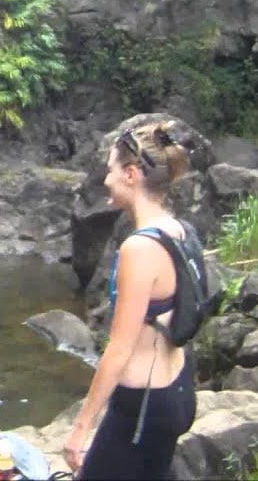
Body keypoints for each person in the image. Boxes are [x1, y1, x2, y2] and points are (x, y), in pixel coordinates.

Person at [62, 123, 197, 479]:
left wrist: (80, 428)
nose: (106, 179)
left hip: (142, 407)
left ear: (131, 174)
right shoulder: (178, 230)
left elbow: (118, 349)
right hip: (178, 387)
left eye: (110, 170)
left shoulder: (140, 248)